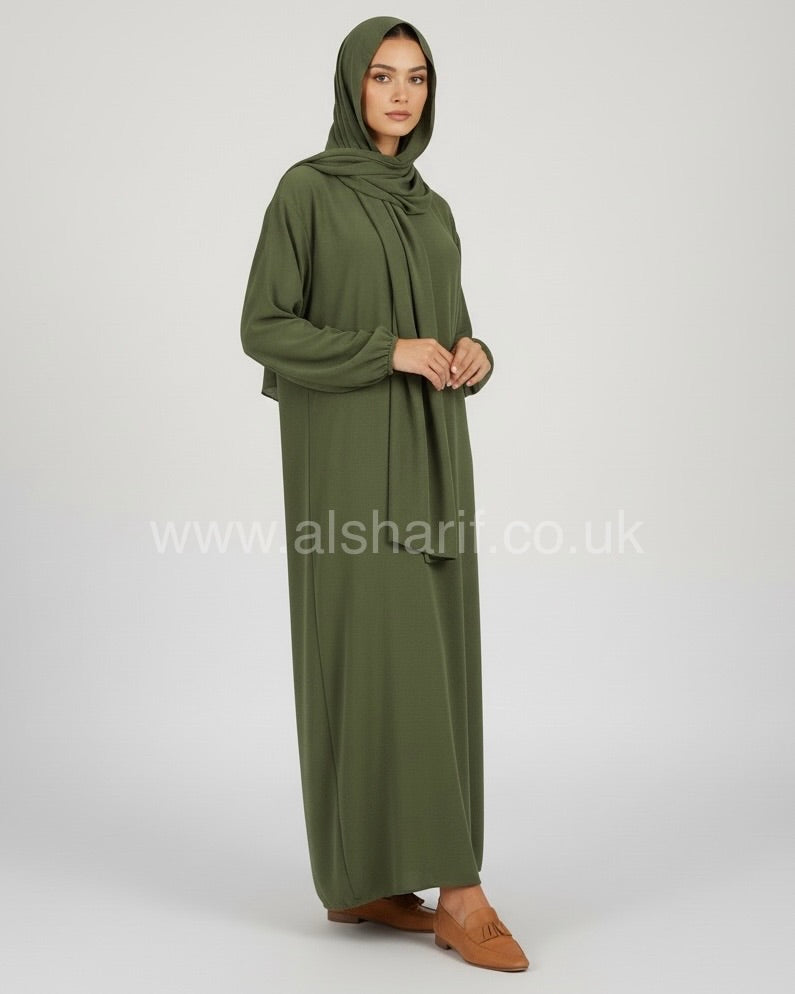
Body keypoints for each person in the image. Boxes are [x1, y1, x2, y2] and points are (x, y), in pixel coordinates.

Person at [240, 15, 529, 972]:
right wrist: (386, 352)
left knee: (437, 663)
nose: (402, 94)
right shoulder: (307, 191)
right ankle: (460, 891)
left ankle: (365, 878)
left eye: (417, 78)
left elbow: (446, 323)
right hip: (351, 460)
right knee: (369, 658)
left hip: (436, 458)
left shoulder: (430, 208)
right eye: (382, 76)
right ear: (349, 86)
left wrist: (474, 353)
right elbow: (263, 326)